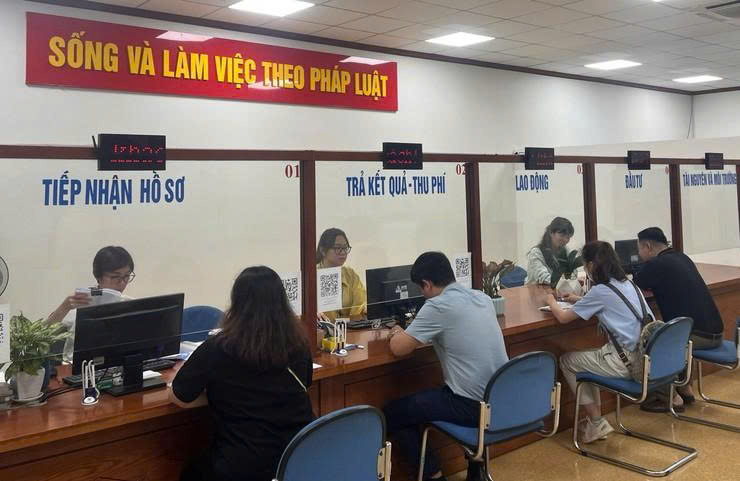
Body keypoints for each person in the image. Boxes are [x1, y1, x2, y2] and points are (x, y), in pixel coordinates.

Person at [170, 266, 315, 481]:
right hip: (298, 458)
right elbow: (306, 382)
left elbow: (179, 397)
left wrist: (216, 393)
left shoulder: (218, 347)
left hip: (244, 465)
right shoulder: (299, 344)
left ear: (236, 303)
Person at [383, 252, 508, 481]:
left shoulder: (437, 306)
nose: (422, 294)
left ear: (427, 284)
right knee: (430, 398)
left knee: (393, 413)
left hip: (471, 405)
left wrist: (397, 332)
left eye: (421, 289)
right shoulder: (481, 297)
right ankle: (476, 470)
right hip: (501, 399)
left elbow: (399, 348)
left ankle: (434, 475)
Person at [546, 241, 655, 444]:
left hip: (626, 363)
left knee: (568, 361)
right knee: (586, 360)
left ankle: (597, 422)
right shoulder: (629, 284)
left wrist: (551, 301)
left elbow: (562, 318)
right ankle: (594, 421)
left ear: (590, 265)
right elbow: (610, 302)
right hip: (647, 358)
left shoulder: (600, 291)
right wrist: (578, 299)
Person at [634, 227, 724, 411]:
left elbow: (638, 280)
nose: (638, 254)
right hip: (716, 332)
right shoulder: (682, 257)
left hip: (698, 337)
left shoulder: (657, 264)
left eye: (639, 249)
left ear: (648, 246)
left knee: (657, 341)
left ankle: (665, 398)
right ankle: (685, 389)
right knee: (678, 335)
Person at [45, 246, 135, 361]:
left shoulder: (130, 305)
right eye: (115, 276)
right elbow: (42, 337)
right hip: (78, 366)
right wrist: (64, 307)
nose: (122, 283)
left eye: (126, 276)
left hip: (118, 364)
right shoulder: (78, 303)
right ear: (99, 277)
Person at [316, 227, 367, 321]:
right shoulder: (312, 276)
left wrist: (365, 309)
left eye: (345, 248)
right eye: (337, 248)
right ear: (323, 250)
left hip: (351, 327)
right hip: (322, 328)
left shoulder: (350, 274)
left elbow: (361, 303)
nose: (343, 252)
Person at [526, 217, 575, 285]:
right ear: (551, 233)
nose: (565, 240)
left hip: (558, 289)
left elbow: (573, 272)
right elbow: (544, 277)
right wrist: (565, 281)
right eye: (562, 235)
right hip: (536, 290)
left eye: (568, 237)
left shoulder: (565, 251)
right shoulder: (536, 253)